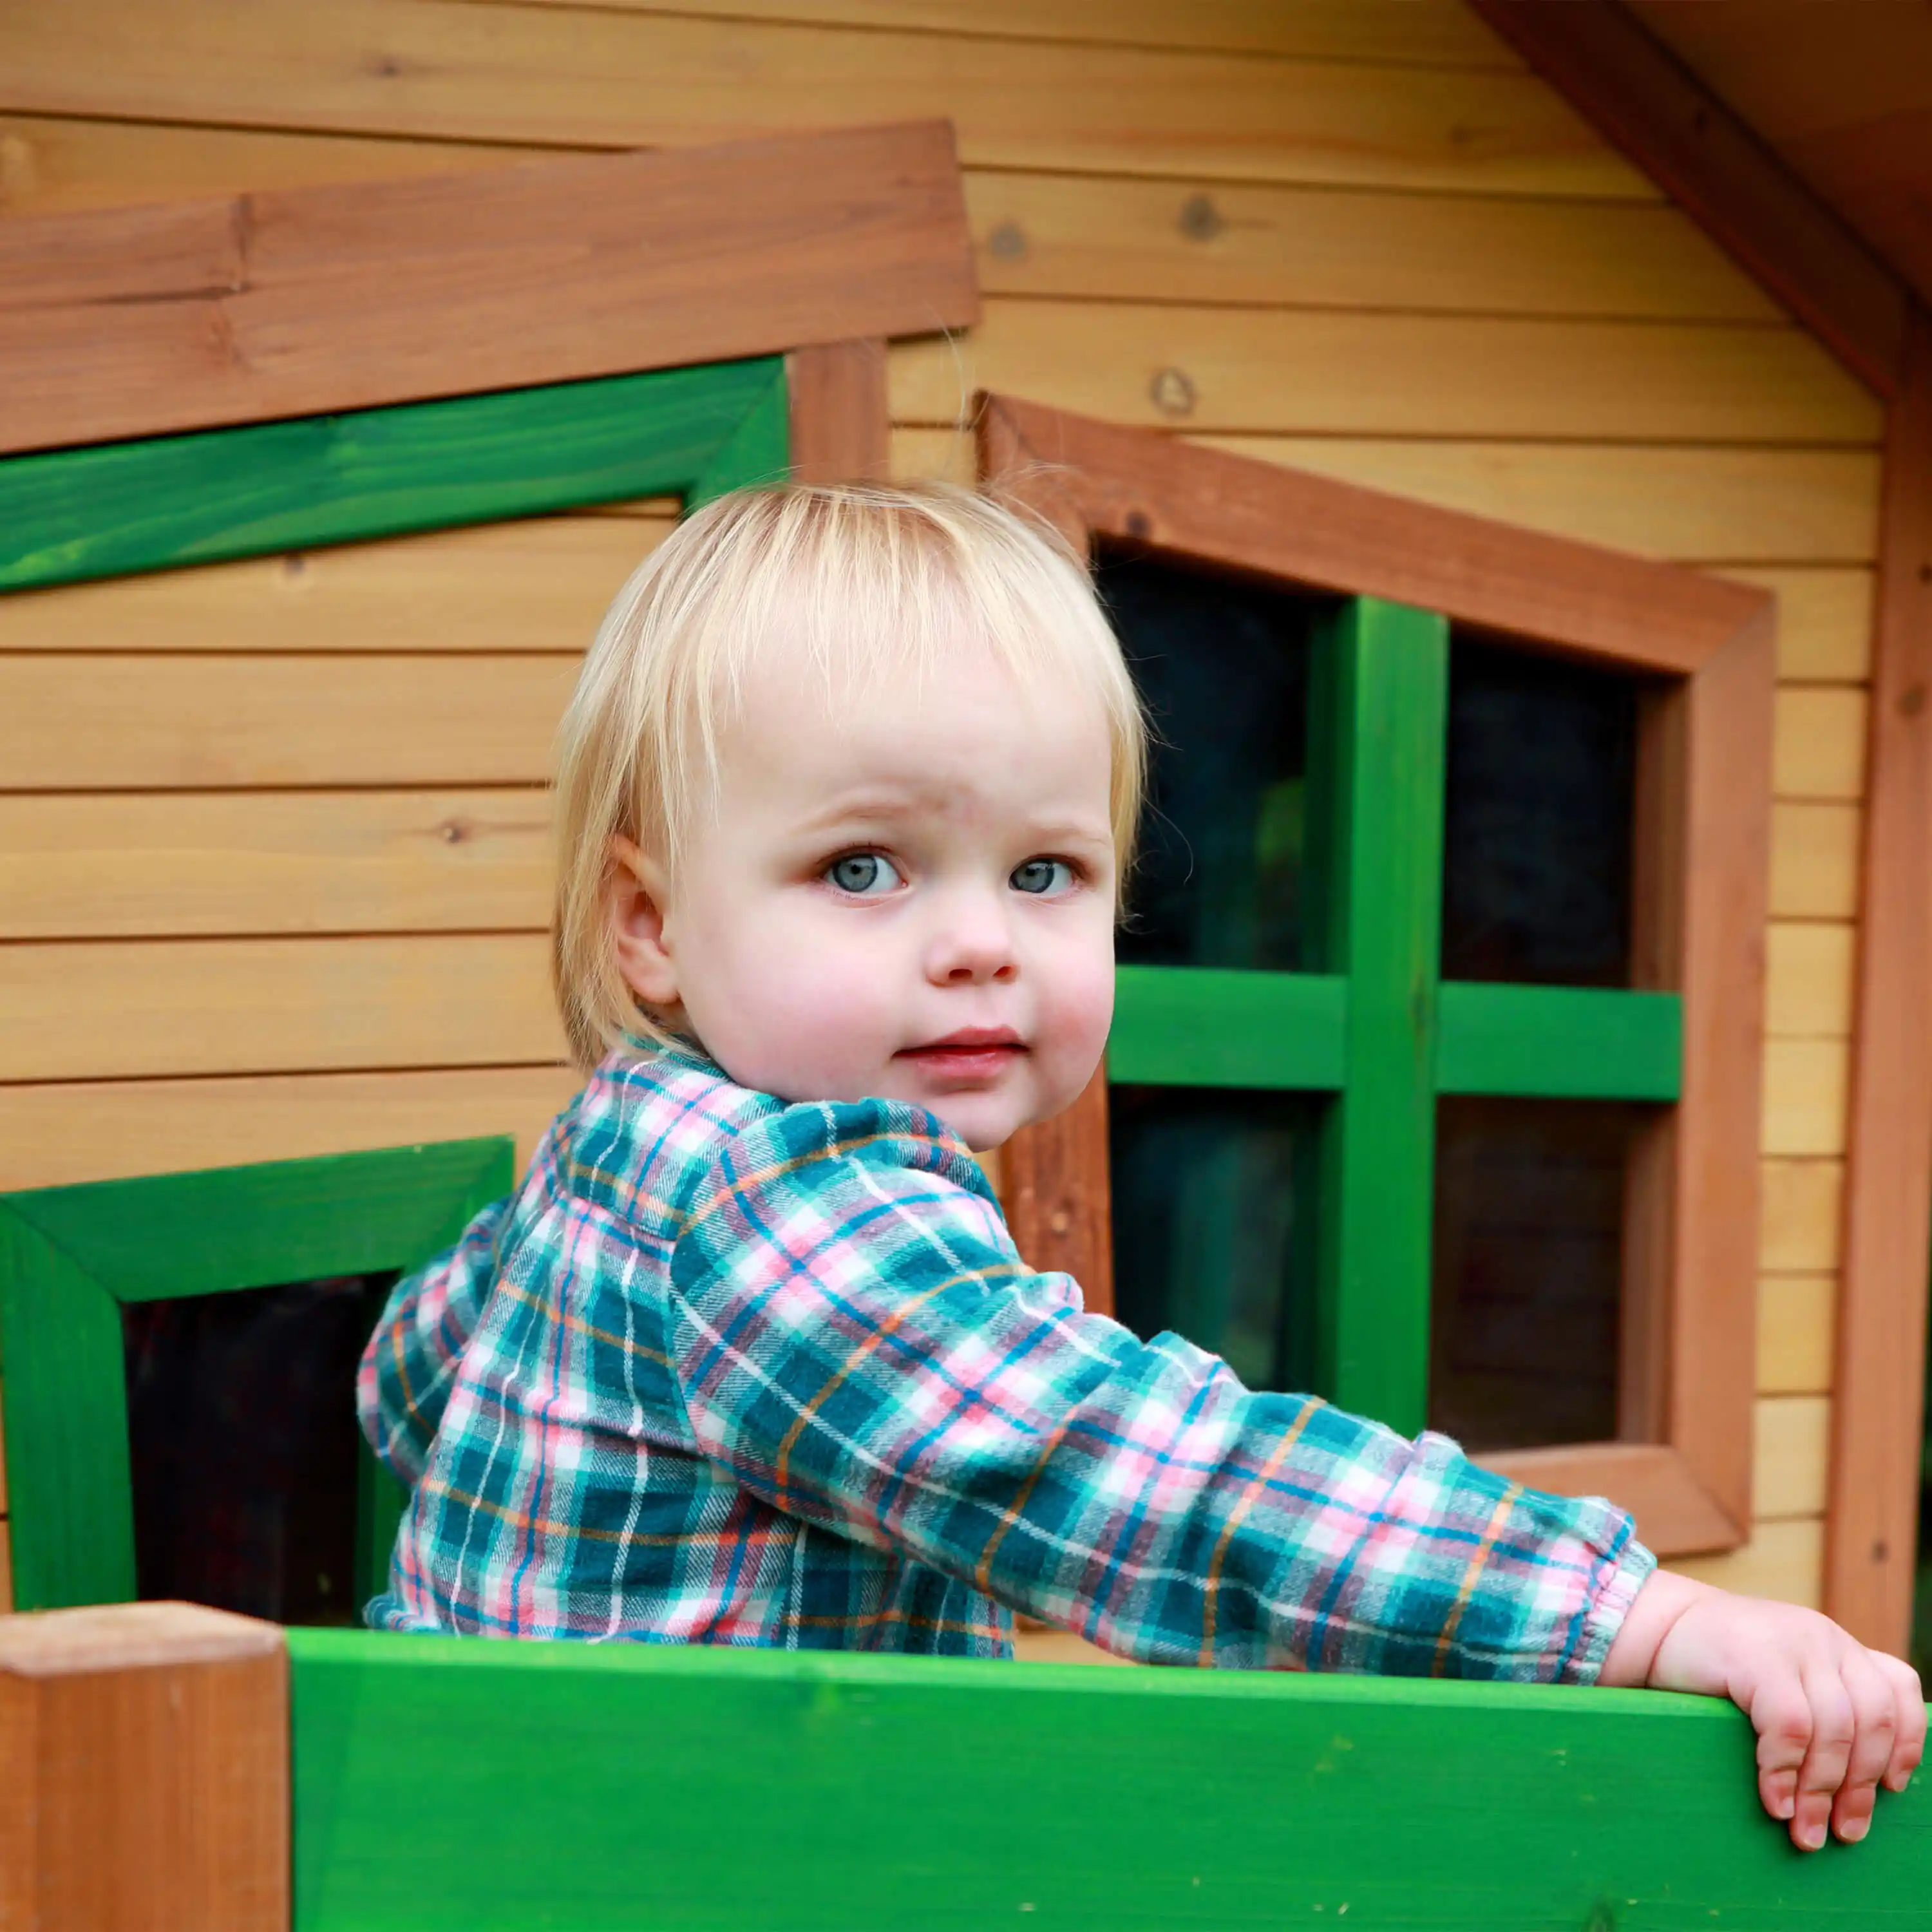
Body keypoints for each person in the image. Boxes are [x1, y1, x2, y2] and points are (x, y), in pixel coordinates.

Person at [359, 481, 1922, 1852]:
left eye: (1046, 871)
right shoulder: (784, 1219)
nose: (979, 944)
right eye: (861, 868)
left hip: (479, 1822)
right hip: (642, 1870)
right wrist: (1634, 1615)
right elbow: (1153, 1479)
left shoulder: (621, 1149)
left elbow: (408, 1377)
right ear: (649, 929)